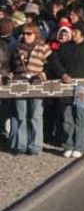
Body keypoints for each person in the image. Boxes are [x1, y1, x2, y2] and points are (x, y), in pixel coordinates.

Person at [48, 22, 84, 158]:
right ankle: (69, 144)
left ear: (82, 33)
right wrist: (63, 74)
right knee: (67, 117)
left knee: (81, 117)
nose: (74, 33)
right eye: (73, 31)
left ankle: (80, 146)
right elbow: (54, 61)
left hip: (83, 88)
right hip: (66, 87)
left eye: (76, 31)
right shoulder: (65, 47)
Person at [8, 23, 52, 155]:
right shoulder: (17, 48)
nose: (26, 36)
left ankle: (35, 146)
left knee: (35, 116)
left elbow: (51, 66)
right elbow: (12, 66)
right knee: (21, 115)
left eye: (29, 34)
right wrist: (10, 75)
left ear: (35, 34)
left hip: (36, 84)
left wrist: (41, 75)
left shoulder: (43, 47)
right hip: (20, 83)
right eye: (24, 33)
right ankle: (21, 145)